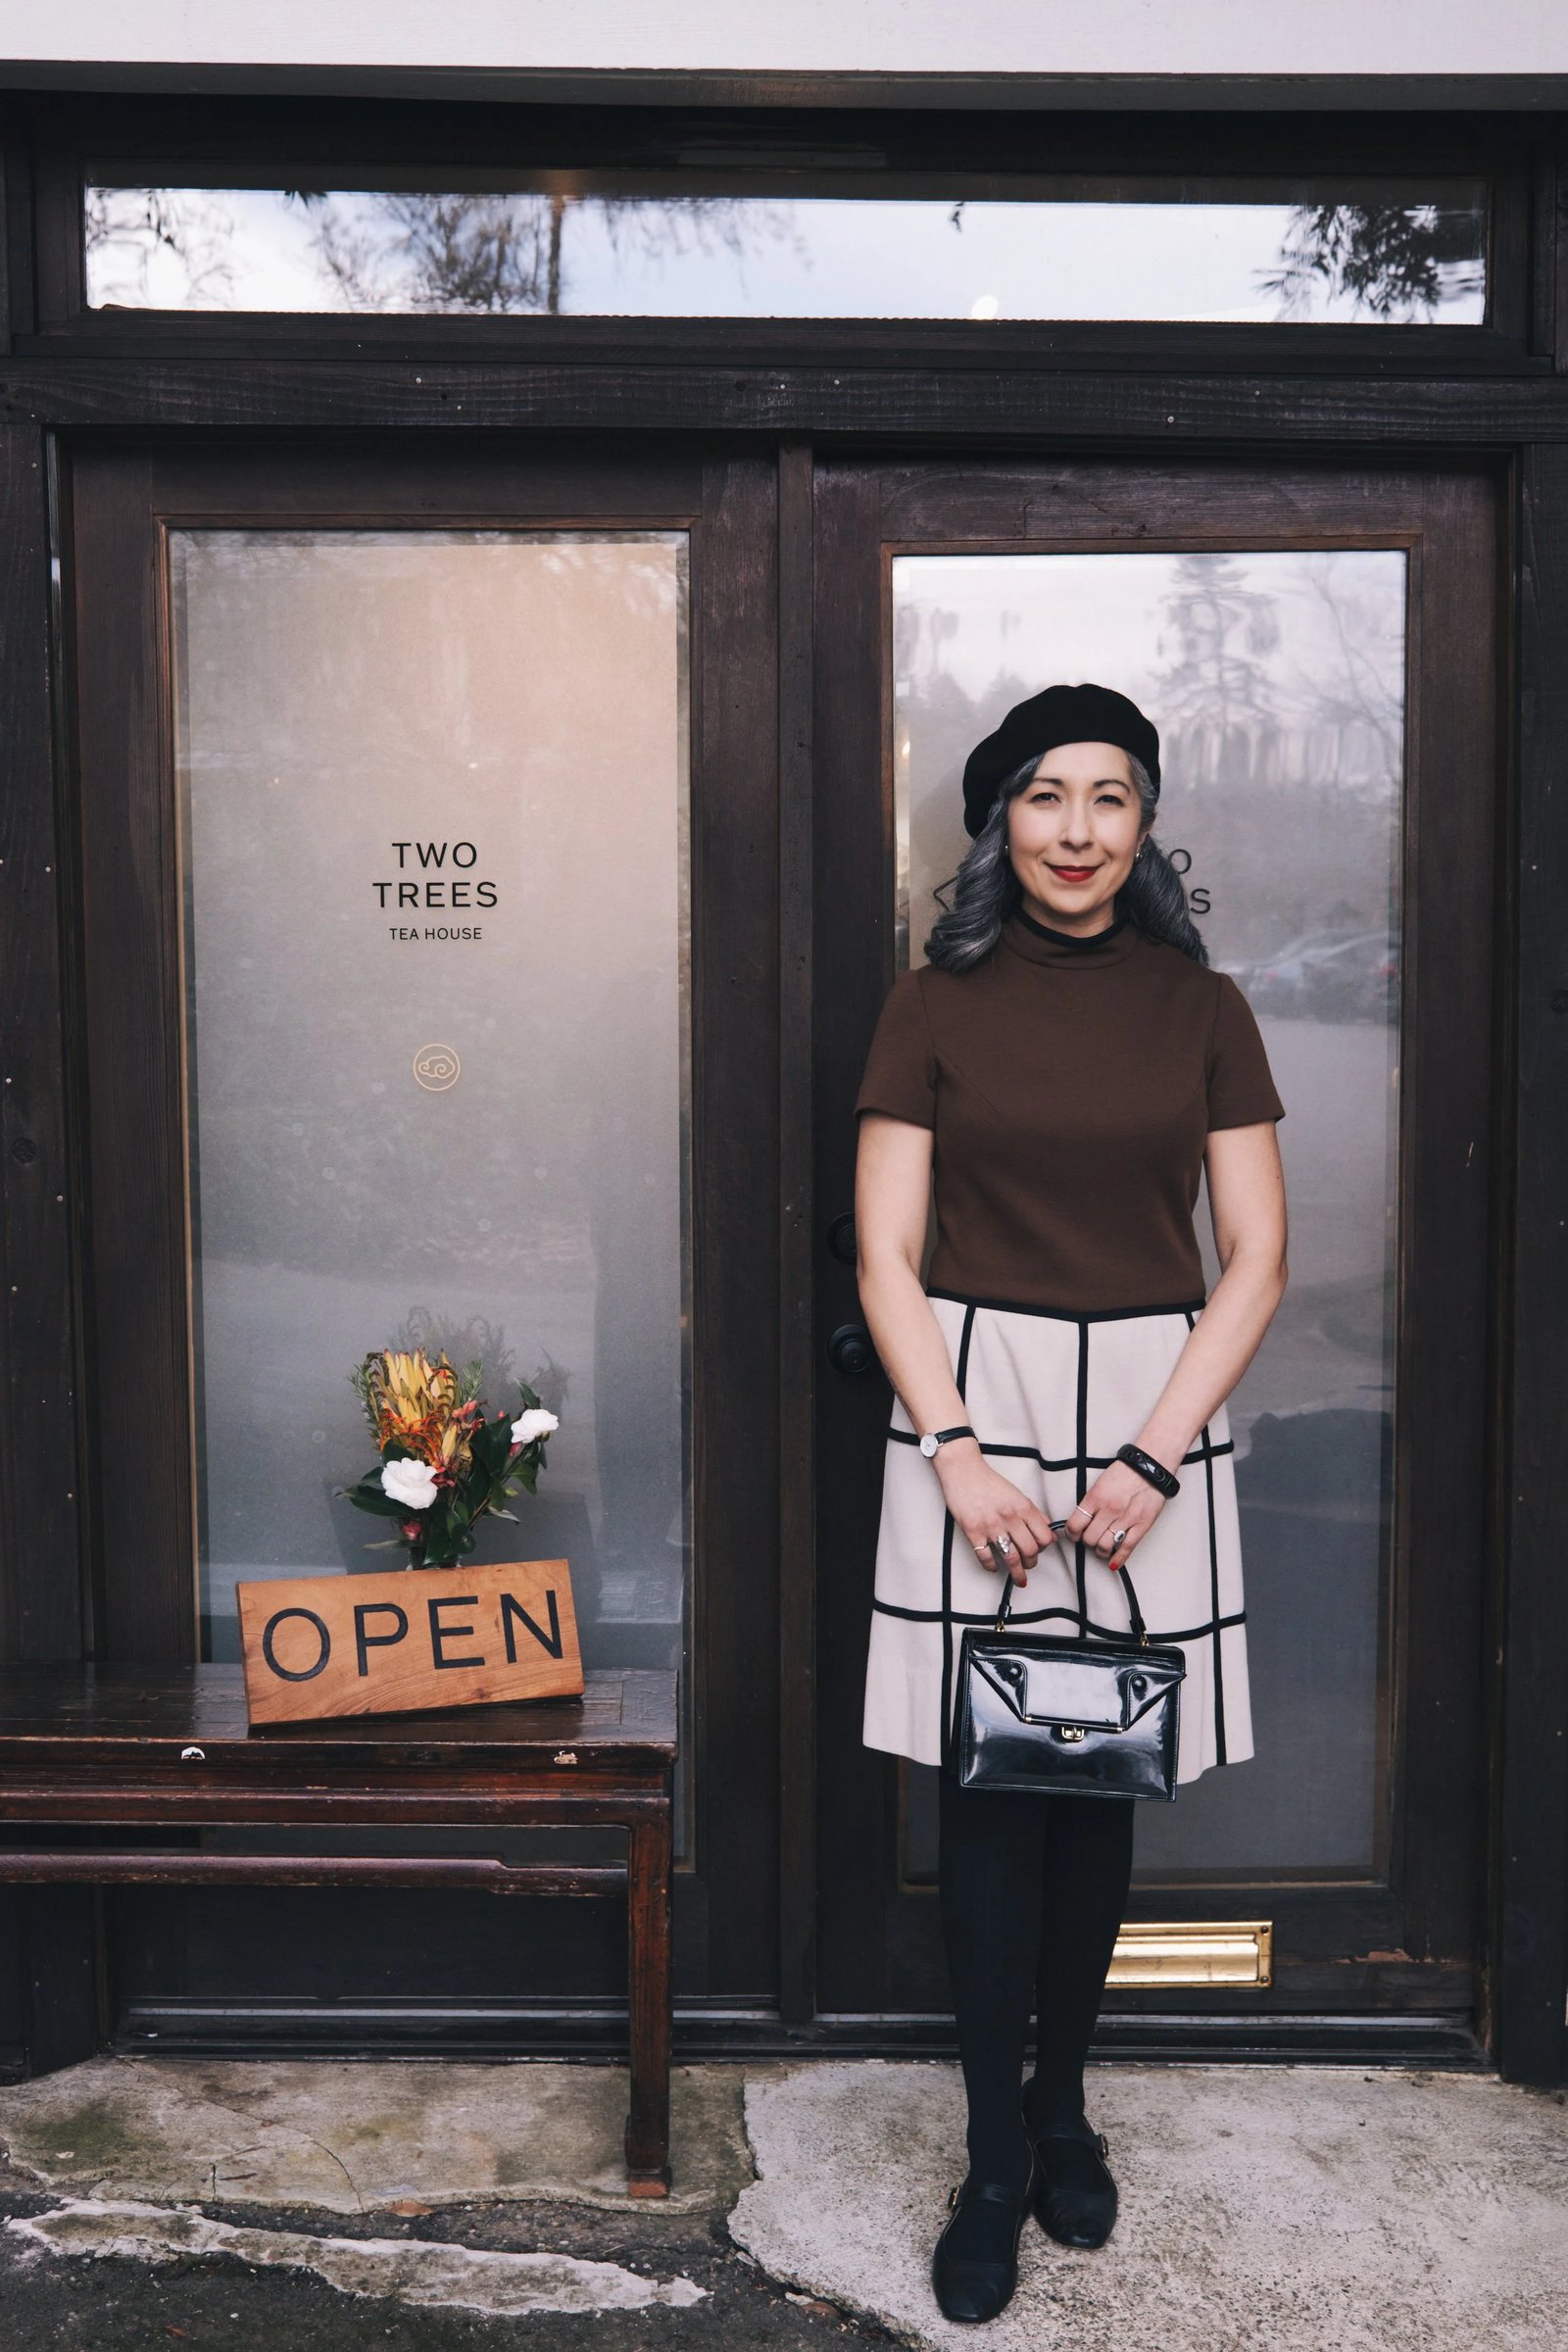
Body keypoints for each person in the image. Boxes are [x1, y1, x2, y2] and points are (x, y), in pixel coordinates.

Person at [853, 683, 1289, 2325]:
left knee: (1097, 1786)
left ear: (1148, 822)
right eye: (1047, 796)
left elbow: (1254, 1257)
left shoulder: (1207, 1007)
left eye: (1112, 796)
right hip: (970, 1407)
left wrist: (1160, 1454)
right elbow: (889, 1255)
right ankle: (984, 2157)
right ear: (999, 822)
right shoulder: (928, 1006)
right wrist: (956, 1445)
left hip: (1152, 1419)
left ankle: (1060, 2112)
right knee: (986, 1792)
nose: (1080, 829)